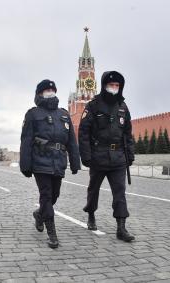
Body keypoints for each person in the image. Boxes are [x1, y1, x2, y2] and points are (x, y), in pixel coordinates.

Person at [20, 79, 81, 248]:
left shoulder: (64, 114)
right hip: (41, 160)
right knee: (46, 195)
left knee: (54, 196)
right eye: (46, 90)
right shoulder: (33, 114)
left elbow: (71, 141)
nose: (50, 92)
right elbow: (26, 140)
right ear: (39, 93)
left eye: (52, 90)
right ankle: (52, 233)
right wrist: (25, 165)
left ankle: (40, 215)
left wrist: (75, 162)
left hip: (59, 161)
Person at [78, 71, 135, 242]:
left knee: (120, 192)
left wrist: (129, 155)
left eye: (117, 85)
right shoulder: (93, 106)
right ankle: (91, 215)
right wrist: (86, 156)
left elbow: (128, 133)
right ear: (104, 86)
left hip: (118, 157)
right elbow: (83, 132)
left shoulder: (123, 107)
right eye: (111, 85)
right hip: (98, 156)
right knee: (93, 189)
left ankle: (121, 227)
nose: (114, 88)